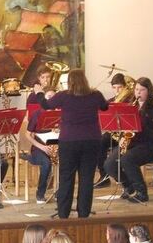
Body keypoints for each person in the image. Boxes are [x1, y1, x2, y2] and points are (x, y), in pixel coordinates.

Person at [33, 69, 108, 218]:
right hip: (91, 140)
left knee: (66, 177)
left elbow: (46, 105)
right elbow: (105, 107)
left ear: (70, 82)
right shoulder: (95, 95)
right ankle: (84, 213)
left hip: (69, 141)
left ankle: (63, 214)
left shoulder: (63, 96)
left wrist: (39, 93)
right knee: (86, 179)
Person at [104, 77, 153, 202]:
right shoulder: (131, 107)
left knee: (127, 159)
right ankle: (128, 187)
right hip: (133, 144)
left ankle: (142, 192)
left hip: (149, 146)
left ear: (148, 91)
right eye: (137, 89)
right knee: (109, 164)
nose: (138, 93)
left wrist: (141, 126)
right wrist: (121, 137)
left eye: (142, 90)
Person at [95, 74, 130, 188]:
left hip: (127, 135)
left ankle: (123, 177)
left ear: (125, 87)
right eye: (114, 88)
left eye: (119, 87)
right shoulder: (110, 102)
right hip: (114, 134)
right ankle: (104, 176)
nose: (117, 90)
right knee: (99, 143)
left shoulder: (130, 100)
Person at [24, 88, 56, 204]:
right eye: (48, 97)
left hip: (55, 146)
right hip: (39, 148)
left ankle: (60, 192)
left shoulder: (59, 113)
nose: (51, 99)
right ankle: (40, 193)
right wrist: (42, 147)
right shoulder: (37, 114)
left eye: (53, 97)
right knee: (46, 163)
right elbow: (28, 135)